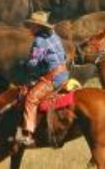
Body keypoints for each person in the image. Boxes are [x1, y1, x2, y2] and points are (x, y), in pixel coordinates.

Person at [16, 11, 69, 147]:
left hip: (53, 78)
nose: (30, 28)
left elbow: (33, 62)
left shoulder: (39, 41)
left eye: (32, 26)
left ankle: (27, 134)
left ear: (38, 27)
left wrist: (23, 64)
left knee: (31, 98)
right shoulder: (54, 36)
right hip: (63, 73)